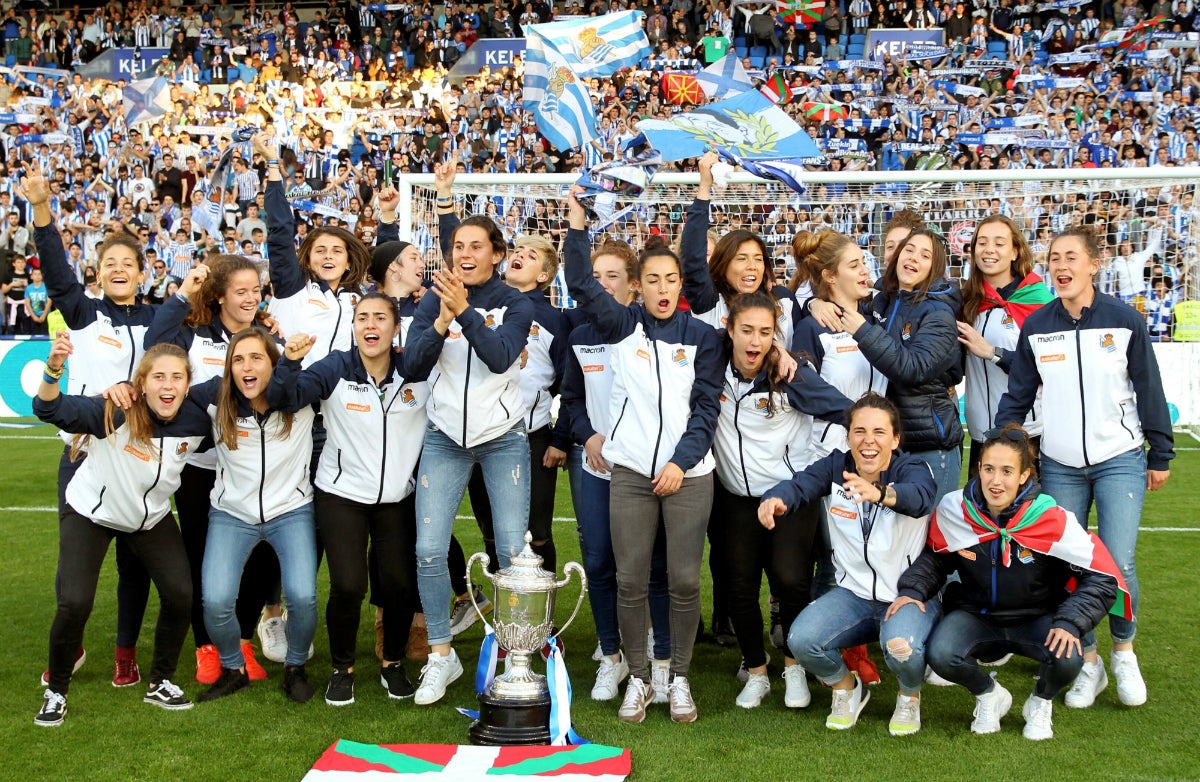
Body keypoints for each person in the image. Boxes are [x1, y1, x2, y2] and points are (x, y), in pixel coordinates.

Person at [996, 226, 1174, 709]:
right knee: (1068, 562)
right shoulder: (1037, 326)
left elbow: (1149, 390)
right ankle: (1088, 661)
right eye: (1054, 258)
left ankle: (1123, 652)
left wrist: (1161, 453)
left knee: (1119, 562)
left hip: (1120, 459)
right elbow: (1018, 395)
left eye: (1071, 256)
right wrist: (1001, 445)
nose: (1061, 266)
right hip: (1059, 463)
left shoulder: (1124, 320)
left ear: (1094, 264)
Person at [566, 186, 724, 724]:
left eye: (670, 279)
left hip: (690, 474)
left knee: (682, 580)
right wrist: (575, 226)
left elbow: (706, 410)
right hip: (630, 471)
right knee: (630, 580)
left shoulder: (703, 337)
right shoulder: (620, 327)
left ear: (682, 286)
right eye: (651, 279)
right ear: (637, 286)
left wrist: (681, 462)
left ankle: (677, 678)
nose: (661, 288)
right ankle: (638, 678)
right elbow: (582, 285)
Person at [896, 425, 1126, 740]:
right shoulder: (955, 510)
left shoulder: (1051, 519)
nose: (996, 480)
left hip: (1036, 617)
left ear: (1024, 476)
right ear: (978, 469)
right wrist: (912, 590)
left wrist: (1071, 622)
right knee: (941, 653)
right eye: (989, 469)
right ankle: (989, 695)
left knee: (1068, 656)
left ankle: (1040, 701)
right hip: (977, 616)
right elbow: (936, 558)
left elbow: (1101, 577)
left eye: (1007, 471)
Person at [403, 161, 534, 706]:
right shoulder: (435, 300)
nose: (465, 253)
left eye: (477, 245)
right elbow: (412, 365)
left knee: (510, 553)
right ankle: (441, 654)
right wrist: (441, 319)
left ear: (496, 254)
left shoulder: (518, 301)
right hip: (443, 438)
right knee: (429, 550)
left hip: (503, 437)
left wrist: (468, 315)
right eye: (458, 245)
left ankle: (515, 657)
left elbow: (503, 358)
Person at [25, 160, 156, 689]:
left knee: (134, 565)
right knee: (74, 567)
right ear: (98, 274)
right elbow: (57, 273)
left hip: (141, 459)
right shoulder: (83, 314)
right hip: (82, 455)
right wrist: (41, 209)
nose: (120, 269)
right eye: (110, 263)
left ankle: (125, 653)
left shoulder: (158, 321)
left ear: (145, 273)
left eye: (129, 262)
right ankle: (70, 645)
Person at [33, 337, 210, 726]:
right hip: (91, 513)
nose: (168, 386)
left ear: (188, 383)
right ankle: (57, 690)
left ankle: (160, 681)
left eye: (177, 378)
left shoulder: (197, 418)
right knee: (75, 601)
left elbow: (242, 387)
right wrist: (55, 367)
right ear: (141, 384)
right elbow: (47, 407)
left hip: (149, 518)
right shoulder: (114, 410)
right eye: (158, 377)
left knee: (181, 594)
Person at [267, 293, 429, 706]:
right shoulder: (335, 367)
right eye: (361, 318)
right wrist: (289, 362)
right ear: (353, 327)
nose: (370, 325)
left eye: (379, 318)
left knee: (397, 585)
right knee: (348, 585)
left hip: (397, 496)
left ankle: (392, 663)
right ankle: (343, 669)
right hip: (341, 495)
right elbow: (285, 398)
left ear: (396, 328)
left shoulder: (416, 372)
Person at [760, 393, 938, 735]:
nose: (868, 441)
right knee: (800, 638)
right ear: (848, 436)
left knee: (902, 648)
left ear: (896, 439)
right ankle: (848, 689)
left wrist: (882, 494)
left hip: (906, 597)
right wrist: (776, 498)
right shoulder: (835, 466)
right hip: (852, 595)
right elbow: (802, 484)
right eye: (859, 431)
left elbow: (920, 498)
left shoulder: (913, 468)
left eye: (879, 432)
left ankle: (909, 698)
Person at [145, 257, 281, 684]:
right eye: (240, 291)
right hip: (200, 467)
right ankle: (207, 647)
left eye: (255, 290)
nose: (250, 298)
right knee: (202, 556)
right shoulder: (194, 334)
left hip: (254, 467)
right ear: (220, 295)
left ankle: (240, 639)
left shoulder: (265, 336)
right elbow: (155, 342)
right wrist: (185, 291)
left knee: (263, 553)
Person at [713, 291, 851, 709]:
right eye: (747, 331)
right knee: (738, 586)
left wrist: (830, 460)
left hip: (788, 496)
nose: (755, 342)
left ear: (777, 336)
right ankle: (756, 671)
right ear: (729, 330)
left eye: (765, 333)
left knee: (791, 581)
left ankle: (793, 668)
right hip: (735, 498)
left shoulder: (789, 374)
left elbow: (845, 410)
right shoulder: (709, 367)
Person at [559, 238, 673, 703]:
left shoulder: (651, 335)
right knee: (600, 562)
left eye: (613, 277)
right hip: (597, 467)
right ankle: (612, 656)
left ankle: (658, 653)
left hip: (646, 469)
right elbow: (569, 399)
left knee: (654, 567)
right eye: (596, 276)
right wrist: (587, 437)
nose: (603, 285)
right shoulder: (579, 337)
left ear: (632, 288)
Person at [186, 327, 319, 705]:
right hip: (232, 513)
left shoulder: (301, 397)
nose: (247, 367)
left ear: (274, 364)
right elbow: (166, 397)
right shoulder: (214, 397)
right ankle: (233, 669)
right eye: (238, 359)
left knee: (303, 596)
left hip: (291, 510)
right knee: (215, 599)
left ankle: (295, 668)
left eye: (256, 357)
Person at [831, 227, 965, 505]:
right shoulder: (883, 300)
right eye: (909, 249)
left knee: (932, 537)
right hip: (889, 445)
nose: (914, 258)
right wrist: (814, 305)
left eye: (925, 255)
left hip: (929, 445)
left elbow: (913, 368)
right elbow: (840, 296)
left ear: (934, 268)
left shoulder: (939, 313)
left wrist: (863, 331)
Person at [956, 216, 1052, 474]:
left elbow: (1046, 368)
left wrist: (992, 353)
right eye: (982, 242)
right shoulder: (967, 300)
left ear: (1015, 251)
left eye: (999, 243)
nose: (989, 250)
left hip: (1026, 435)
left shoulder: (1040, 302)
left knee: (1027, 514)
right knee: (980, 514)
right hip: (980, 434)